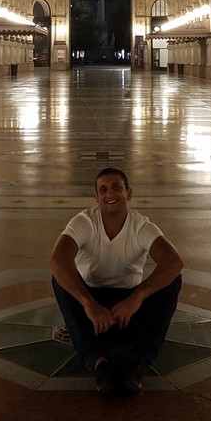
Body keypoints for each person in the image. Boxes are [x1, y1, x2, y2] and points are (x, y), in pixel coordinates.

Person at [50, 168, 183, 397]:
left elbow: (173, 261)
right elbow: (58, 259)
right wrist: (88, 304)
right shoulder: (85, 222)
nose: (110, 193)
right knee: (60, 280)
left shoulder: (141, 226)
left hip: (128, 309)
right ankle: (98, 362)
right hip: (93, 310)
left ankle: (137, 363)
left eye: (116, 187)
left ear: (128, 193)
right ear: (96, 198)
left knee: (172, 280)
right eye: (103, 190)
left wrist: (137, 298)